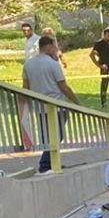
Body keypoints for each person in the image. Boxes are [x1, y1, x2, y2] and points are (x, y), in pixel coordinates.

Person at [22, 36, 81, 174]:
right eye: (54, 47)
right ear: (48, 47)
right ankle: (46, 164)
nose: (55, 50)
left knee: (47, 137)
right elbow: (63, 87)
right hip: (57, 106)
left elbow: (25, 86)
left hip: (39, 107)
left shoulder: (28, 64)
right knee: (57, 136)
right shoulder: (53, 64)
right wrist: (76, 102)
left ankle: (52, 163)